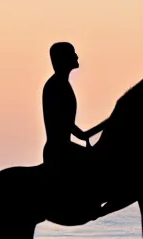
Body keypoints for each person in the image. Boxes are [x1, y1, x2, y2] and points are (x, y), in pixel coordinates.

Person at [42, 42, 108, 181]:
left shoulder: (62, 84)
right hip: (59, 152)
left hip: (63, 148)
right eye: (72, 53)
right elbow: (72, 129)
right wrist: (108, 123)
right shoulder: (56, 86)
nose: (76, 56)